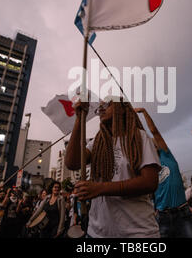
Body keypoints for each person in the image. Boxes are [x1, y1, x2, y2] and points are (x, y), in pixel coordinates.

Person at [65, 96, 161, 238]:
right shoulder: (97, 142)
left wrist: (100, 188)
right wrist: (79, 119)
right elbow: (72, 163)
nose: (101, 109)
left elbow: (150, 182)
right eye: (99, 107)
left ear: (122, 108)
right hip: (97, 233)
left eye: (107, 105)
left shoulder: (139, 137)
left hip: (137, 233)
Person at [135, 107, 192, 238]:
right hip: (162, 216)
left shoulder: (167, 156)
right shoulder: (148, 167)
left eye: (153, 145)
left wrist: (143, 112)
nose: (151, 146)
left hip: (182, 212)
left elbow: (154, 132)